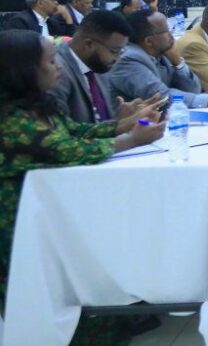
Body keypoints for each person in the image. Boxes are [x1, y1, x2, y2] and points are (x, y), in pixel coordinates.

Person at [0, 30, 165, 338]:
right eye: (50, 61)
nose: (59, 66)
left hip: (51, 209)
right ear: (22, 71)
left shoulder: (36, 104)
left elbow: (76, 132)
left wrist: (123, 124)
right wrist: (130, 139)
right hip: (19, 219)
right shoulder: (11, 121)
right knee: (43, 291)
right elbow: (67, 149)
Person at [52, 10, 164, 125]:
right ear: (89, 44)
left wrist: (129, 117)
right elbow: (65, 134)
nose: (117, 59)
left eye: (121, 52)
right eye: (114, 51)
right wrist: (120, 125)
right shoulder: (56, 73)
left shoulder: (96, 65)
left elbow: (102, 122)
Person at [109, 10, 208, 109]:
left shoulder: (163, 54)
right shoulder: (128, 61)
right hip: (132, 130)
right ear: (149, 41)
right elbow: (161, 97)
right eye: (166, 30)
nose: (172, 35)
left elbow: (194, 89)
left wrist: (178, 62)